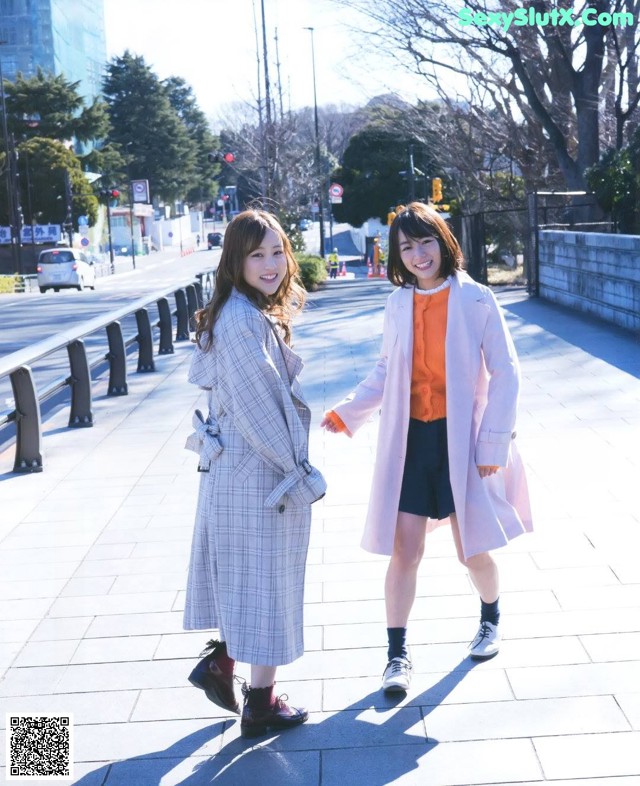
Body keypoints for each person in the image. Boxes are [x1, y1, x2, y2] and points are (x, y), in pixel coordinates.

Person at [321, 202, 532, 693]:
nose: (418, 254)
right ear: (397, 253)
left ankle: (490, 617)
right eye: (407, 246)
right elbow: (385, 371)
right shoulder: (397, 303)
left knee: (471, 549)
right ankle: (396, 656)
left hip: (463, 441)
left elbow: (507, 372)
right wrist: (349, 412)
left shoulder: (476, 299)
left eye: (426, 241)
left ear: (444, 241)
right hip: (411, 443)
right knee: (405, 550)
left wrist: (492, 443)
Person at [184, 209, 326, 738]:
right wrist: (300, 473)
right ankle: (260, 704)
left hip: (239, 473)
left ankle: (223, 662)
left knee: (252, 582)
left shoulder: (238, 311)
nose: (270, 264)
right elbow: (262, 410)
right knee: (268, 587)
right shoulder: (244, 321)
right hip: (260, 477)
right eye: (256, 255)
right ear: (235, 261)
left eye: (276, 252)